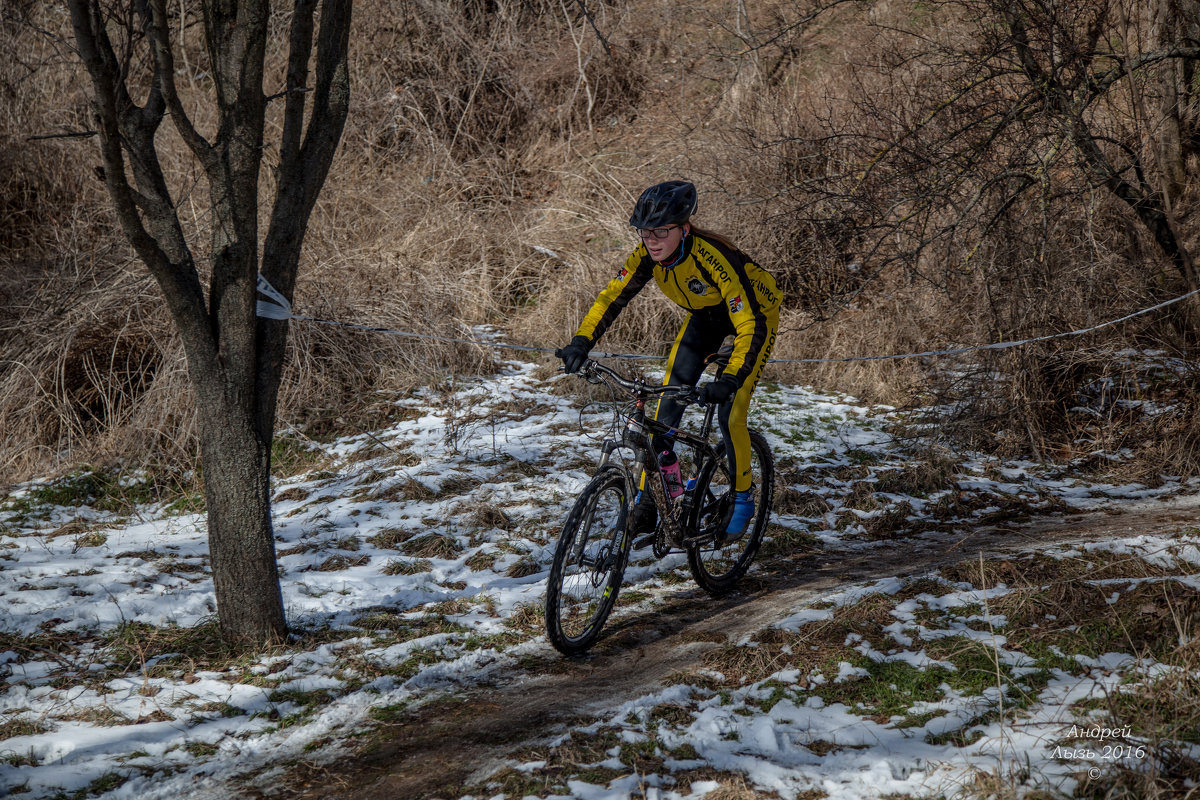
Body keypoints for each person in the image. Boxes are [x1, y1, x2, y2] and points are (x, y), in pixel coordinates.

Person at [557, 180, 781, 540]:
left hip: (754, 317)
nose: (652, 240)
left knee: (731, 413)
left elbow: (749, 323)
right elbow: (612, 297)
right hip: (706, 318)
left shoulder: (712, 257)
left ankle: (743, 499)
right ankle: (650, 501)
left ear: (684, 228)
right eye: (645, 231)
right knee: (664, 414)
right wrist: (581, 341)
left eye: (661, 230)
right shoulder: (647, 255)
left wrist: (730, 378)